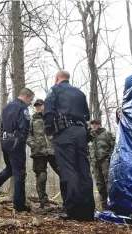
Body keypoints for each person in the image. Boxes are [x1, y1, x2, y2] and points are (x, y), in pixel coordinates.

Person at [44, 70, 95, 221]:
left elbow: (48, 112)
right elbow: (86, 114)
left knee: (69, 170)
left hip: (64, 133)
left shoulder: (55, 90)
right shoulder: (79, 93)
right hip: (81, 132)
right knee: (83, 169)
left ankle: (74, 211)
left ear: (57, 78)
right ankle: (88, 212)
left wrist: (50, 132)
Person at [0, 88, 34, 212]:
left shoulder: (7, 107)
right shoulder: (23, 109)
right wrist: (21, 142)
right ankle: (19, 205)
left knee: (11, 168)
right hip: (15, 143)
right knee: (19, 173)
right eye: (31, 100)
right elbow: (24, 128)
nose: (31, 103)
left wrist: (3, 139)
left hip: (5, 141)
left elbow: (1, 126)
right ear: (26, 97)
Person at [26, 99, 61, 209]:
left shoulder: (51, 118)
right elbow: (27, 134)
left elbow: (59, 132)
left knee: (64, 173)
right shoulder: (32, 120)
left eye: (40, 105)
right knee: (41, 176)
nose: (38, 107)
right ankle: (44, 203)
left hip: (53, 151)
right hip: (38, 152)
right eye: (36, 106)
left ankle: (68, 202)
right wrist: (33, 145)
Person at [89, 120, 115, 210]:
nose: (94, 126)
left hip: (105, 161)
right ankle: (105, 208)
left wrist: (109, 157)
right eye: (92, 124)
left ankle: (113, 206)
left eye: (96, 124)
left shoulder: (107, 133)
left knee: (109, 183)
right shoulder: (91, 137)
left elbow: (114, 145)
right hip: (95, 164)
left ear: (100, 125)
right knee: (100, 185)